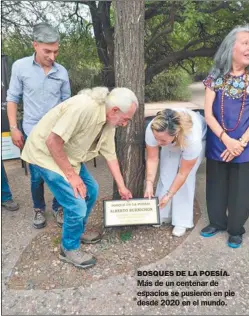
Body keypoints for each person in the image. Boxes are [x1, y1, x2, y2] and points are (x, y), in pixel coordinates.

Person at [21, 87, 138, 268]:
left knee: (91, 190)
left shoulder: (109, 122)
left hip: (68, 156)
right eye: (125, 119)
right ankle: (68, 248)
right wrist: (71, 176)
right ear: (115, 110)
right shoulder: (84, 107)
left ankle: (76, 232)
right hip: (44, 154)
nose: (125, 124)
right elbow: (52, 141)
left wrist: (122, 186)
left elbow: (111, 156)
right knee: (76, 203)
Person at [6, 22, 71, 229]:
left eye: (56, 51)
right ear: (35, 45)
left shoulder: (62, 72)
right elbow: (12, 98)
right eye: (47, 51)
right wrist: (14, 128)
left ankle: (58, 207)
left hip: (57, 132)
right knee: (36, 176)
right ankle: (38, 209)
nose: (52, 57)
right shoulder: (20, 67)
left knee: (61, 172)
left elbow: (67, 103)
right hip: (32, 131)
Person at [200, 25, 249, 248]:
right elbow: (208, 114)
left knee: (241, 188)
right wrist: (226, 139)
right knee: (216, 183)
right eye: (246, 43)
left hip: (244, 144)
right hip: (218, 141)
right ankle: (217, 222)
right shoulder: (215, 76)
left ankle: (236, 229)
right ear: (231, 47)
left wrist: (240, 143)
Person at [144, 108, 207, 237]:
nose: (158, 143)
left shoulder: (193, 139)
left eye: (162, 141)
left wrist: (169, 195)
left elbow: (183, 173)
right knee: (166, 172)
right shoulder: (154, 129)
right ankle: (161, 213)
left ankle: (181, 220)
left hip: (193, 139)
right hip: (171, 138)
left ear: (176, 134)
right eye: (156, 139)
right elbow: (152, 158)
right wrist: (149, 183)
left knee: (186, 180)